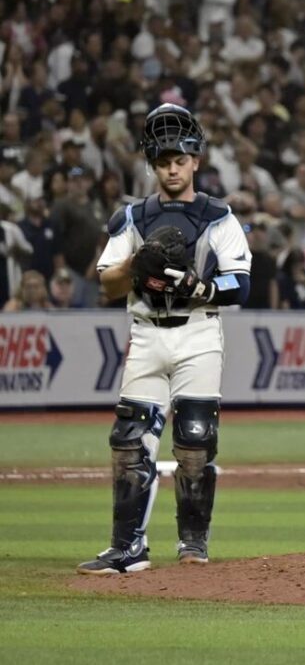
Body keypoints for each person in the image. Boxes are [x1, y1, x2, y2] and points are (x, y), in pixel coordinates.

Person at [77, 104, 251, 575]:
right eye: (163, 161)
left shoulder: (220, 217)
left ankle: (193, 544)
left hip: (198, 331)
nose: (172, 169)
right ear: (152, 164)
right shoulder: (132, 217)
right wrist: (139, 265)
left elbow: (241, 284)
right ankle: (127, 549)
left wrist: (201, 288)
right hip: (147, 333)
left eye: (180, 160)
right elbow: (106, 283)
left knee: (196, 440)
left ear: (196, 160)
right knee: (130, 440)